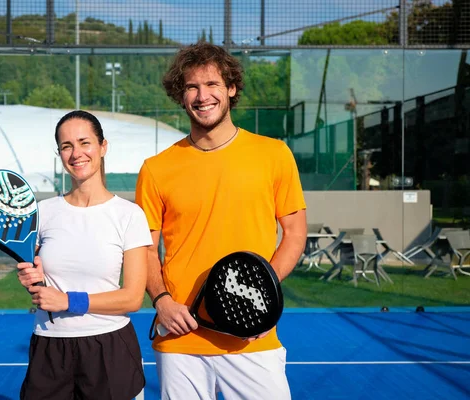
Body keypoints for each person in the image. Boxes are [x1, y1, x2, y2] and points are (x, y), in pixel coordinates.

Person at [135, 42, 307, 399]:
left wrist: (261, 300)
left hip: (251, 339)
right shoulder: (155, 169)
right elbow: (144, 249)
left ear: (230, 88)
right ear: (181, 96)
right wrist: (162, 302)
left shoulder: (273, 154)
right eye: (192, 87)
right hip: (180, 338)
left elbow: (293, 234)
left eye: (212, 84)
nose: (202, 96)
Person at [16, 110, 152, 400]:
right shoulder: (43, 212)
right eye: (67, 146)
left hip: (110, 348)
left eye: (84, 142)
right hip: (49, 347)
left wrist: (68, 300)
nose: (76, 153)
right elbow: (36, 273)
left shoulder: (129, 215)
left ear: (103, 147)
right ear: (60, 154)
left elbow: (132, 298)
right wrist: (29, 279)